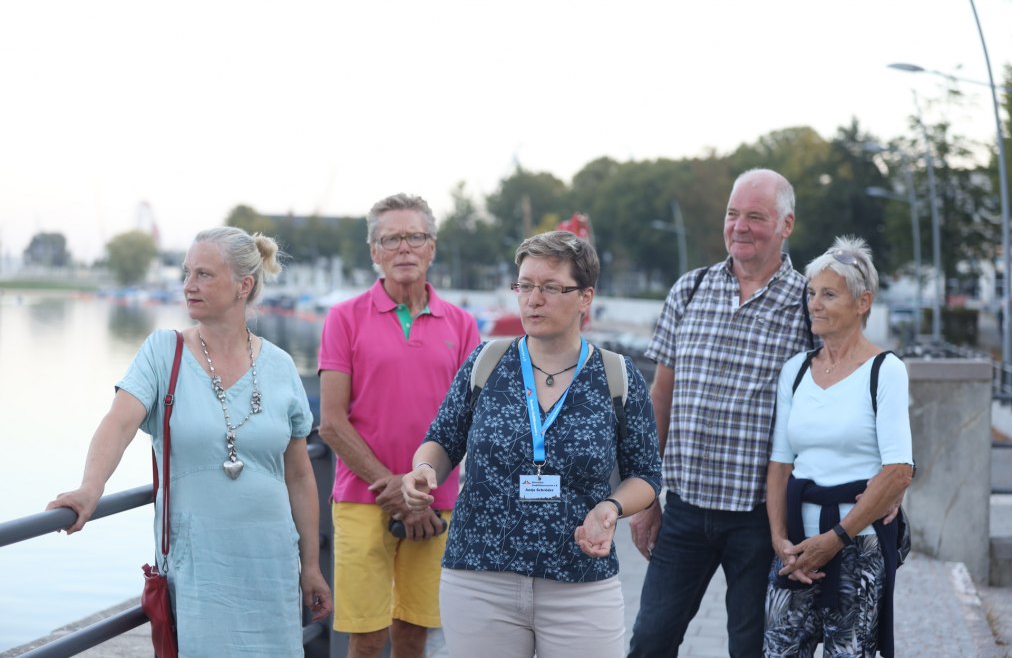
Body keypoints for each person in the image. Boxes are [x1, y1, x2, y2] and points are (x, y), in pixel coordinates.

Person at [47, 226, 332, 656]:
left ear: (244, 286)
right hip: (201, 565)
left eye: (204, 274)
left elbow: (299, 474)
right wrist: (91, 489)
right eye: (187, 273)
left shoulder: (281, 366)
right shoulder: (163, 353)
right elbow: (118, 424)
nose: (188, 286)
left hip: (270, 564)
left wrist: (310, 565)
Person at [402, 230, 662, 658]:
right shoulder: (487, 363)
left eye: (550, 287)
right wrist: (425, 471)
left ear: (585, 297)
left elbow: (646, 475)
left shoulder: (617, 375)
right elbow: (442, 441)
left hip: (581, 582)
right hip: (480, 578)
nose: (532, 299)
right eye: (524, 285)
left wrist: (610, 508)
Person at [628, 168, 814, 657]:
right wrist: (647, 497)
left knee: (750, 649)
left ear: (786, 225)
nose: (740, 226)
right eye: (733, 214)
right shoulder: (690, 289)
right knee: (650, 641)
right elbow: (659, 398)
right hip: (685, 511)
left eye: (756, 216)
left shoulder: (807, 304)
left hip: (760, 519)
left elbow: (837, 394)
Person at [317, 193, 480, 658]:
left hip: (436, 504)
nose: (404, 248)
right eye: (391, 239)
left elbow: (469, 421)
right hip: (362, 499)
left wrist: (418, 495)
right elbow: (331, 422)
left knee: (414, 633)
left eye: (415, 237)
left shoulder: (463, 325)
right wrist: (393, 489)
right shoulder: (343, 318)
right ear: (374, 252)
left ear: (432, 247)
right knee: (366, 638)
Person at [764, 236, 913, 657]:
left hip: (858, 545)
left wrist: (835, 540)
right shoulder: (795, 370)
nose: (815, 303)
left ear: (863, 302)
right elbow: (780, 463)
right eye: (811, 293)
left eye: (829, 294)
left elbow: (899, 469)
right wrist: (779, 539)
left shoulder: (885, 371)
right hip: (795, 544)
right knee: (778, 651)